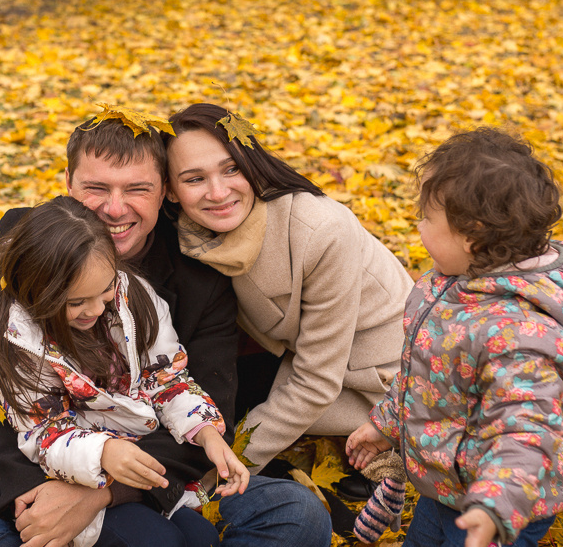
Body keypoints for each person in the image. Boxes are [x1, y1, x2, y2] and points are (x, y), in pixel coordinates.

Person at [0, 116, 332, 547]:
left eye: (137, 189)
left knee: (298, 517)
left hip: (153, 476)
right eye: (97, 188)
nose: (115, 209)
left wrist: (97, 494)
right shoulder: (26, 255)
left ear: (165, 193)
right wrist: (44, 523)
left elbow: (192, 393)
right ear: (69, 186)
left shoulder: (196, 281)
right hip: (40, 462)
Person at [345, 128, 563, 547]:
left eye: (426, 217)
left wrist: (492, 507)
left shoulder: (520, 333)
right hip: (446, 482)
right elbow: (425, 378)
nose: (418, 227)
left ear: (473, 236)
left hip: (499, 504)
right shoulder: (451, 285)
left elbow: (525, 431)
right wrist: (386, 423)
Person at [0, 196, 249, 547]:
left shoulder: (134, 299)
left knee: (199, 538)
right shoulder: (17, 341)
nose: (95, 309)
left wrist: (206, 432)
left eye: (105, 289)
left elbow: (166, 378)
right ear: (37, 294)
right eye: (76, 302)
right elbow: (42, 431)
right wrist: (104, 452)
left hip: (128, 461)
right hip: (60, 476)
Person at [162, 103, 411, 483]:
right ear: (171, 191)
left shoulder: (318, 232)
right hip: (300, 353)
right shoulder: (190, 235)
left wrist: (221, 473)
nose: (218, 191)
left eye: (232, 169)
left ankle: (381, 443)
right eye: (194, 179)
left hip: (374, 378)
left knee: (227, 421)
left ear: (252, 164)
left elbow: (316, 380)